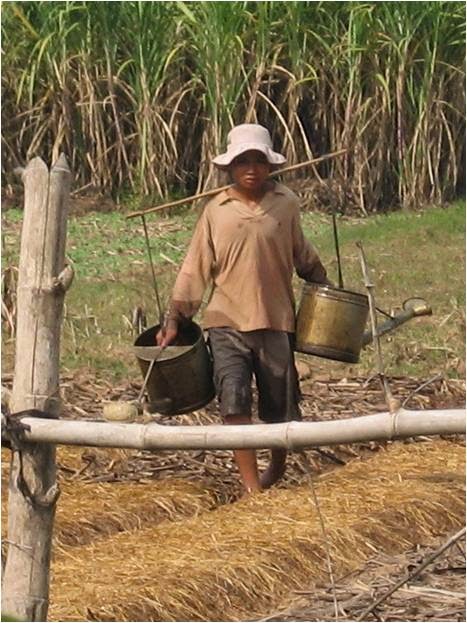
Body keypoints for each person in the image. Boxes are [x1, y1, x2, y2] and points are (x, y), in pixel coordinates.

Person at [157, 123, 330, 495]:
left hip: (276, 319)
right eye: (242, 161)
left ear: (270, 165)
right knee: (234, 401)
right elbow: (195, 268)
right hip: (227, 322)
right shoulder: (216, 211)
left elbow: (301, 251)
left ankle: (276, 468)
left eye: (258, 161)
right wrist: (175, 317)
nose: (251, 169)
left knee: (280, 407)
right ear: (230, 167)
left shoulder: (285, 203)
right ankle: (252, 489)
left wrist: (323, 281)